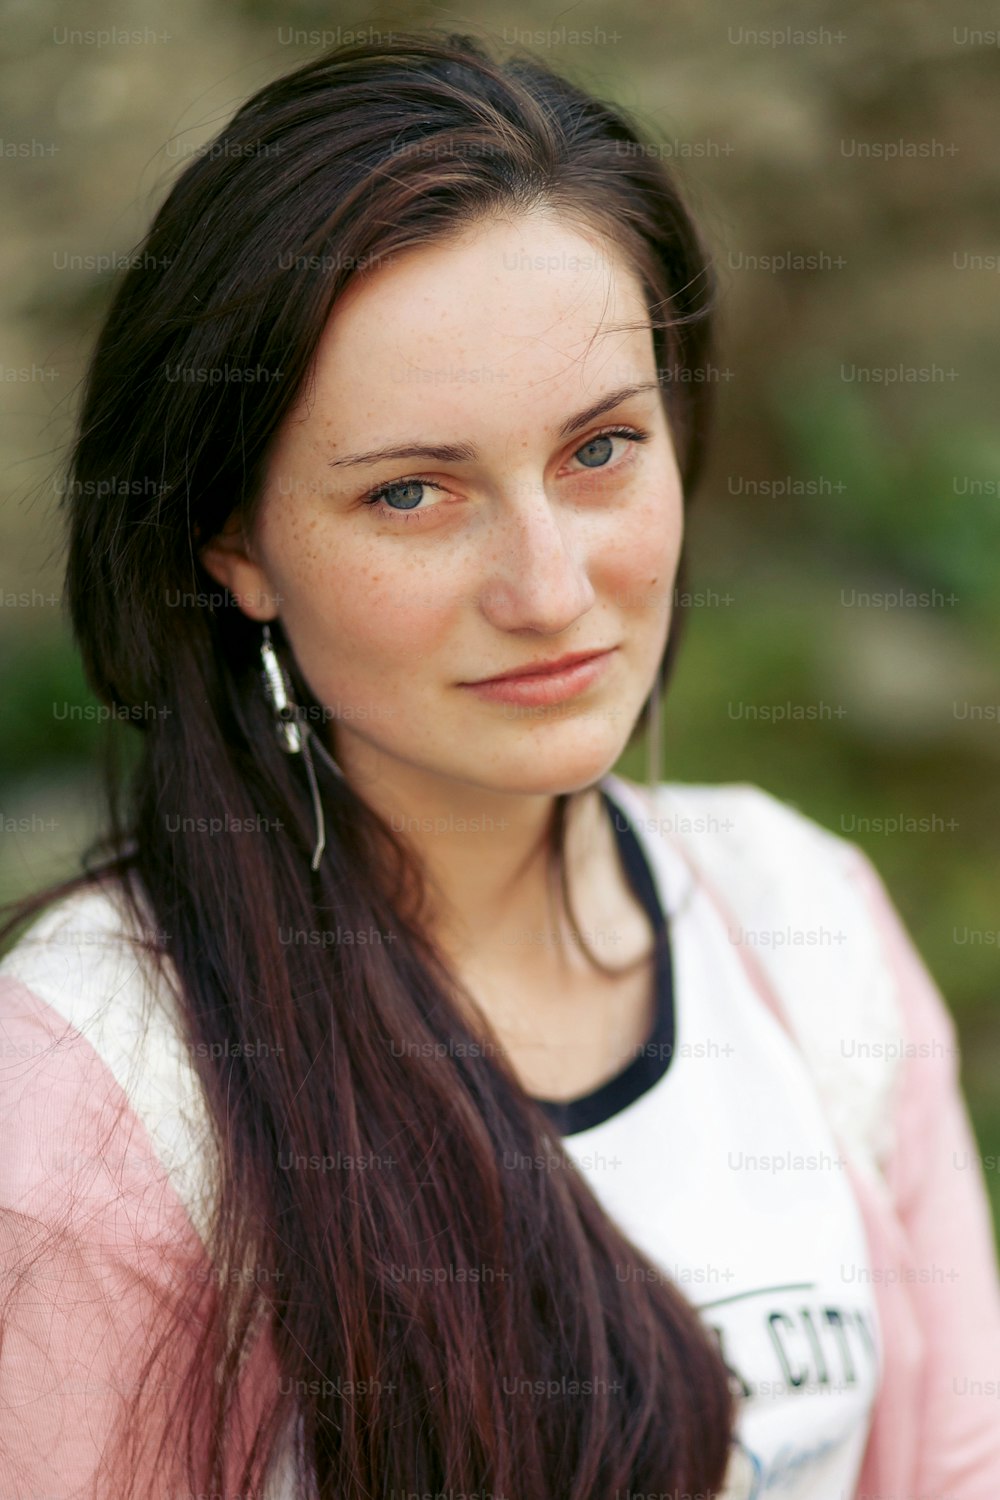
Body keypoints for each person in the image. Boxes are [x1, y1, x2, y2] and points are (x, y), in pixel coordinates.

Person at [1, 29, 998, 1500]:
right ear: (236, 548)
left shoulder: (808, 925)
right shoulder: (102, 1094)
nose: (548, 585)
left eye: (600, 451)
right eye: (413, 490)